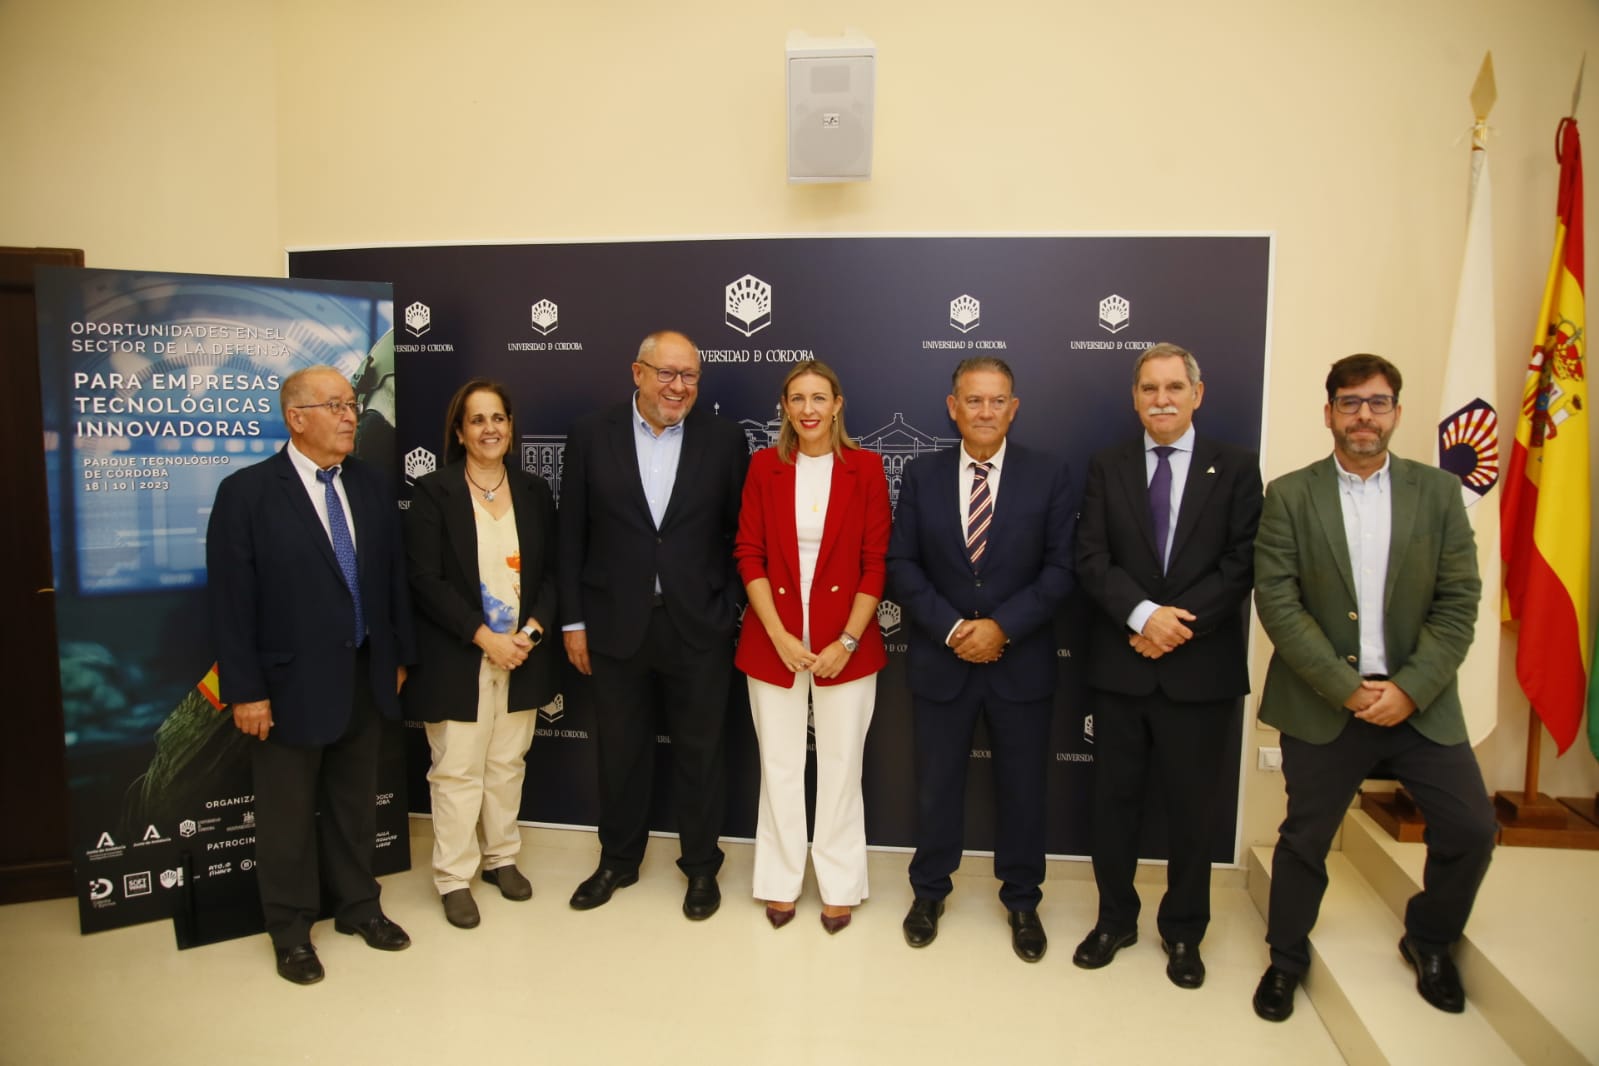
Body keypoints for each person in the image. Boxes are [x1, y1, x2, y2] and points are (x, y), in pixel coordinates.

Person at [1251, 354, 1496, 1022]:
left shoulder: (1437, 493)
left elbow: (1458, 601)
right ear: (1328, 411)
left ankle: (1429, 940)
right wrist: (1346, 688)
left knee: (1472, 828)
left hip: (1419, 701)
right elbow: (1277, 601)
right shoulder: (1289, 494)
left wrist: (1410, 689)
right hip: (1323, 701)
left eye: (1377, 402)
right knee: (1304, 838)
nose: (1363, 415)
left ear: (1395, 411)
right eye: (1350, 402)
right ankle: (1286, 958)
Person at [207, 364, 416, 985]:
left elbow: (391, 582)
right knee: (287, 814)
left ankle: (358, 907)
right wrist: (245, 690)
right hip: (285, 684)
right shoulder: (246, 493)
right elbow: (230, 603)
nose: (352, 415)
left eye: (351, 404)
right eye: (335, 406)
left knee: (355, 806)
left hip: (364, 673)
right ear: (296, 418)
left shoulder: (373, 486)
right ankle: (292, 930)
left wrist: (398, 656)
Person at [1072, 342, 1262, 988]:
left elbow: (1241, 563)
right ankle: (1114, 920)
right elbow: (1091, 557)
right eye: (1149, 388)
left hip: (1197, 670)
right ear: (1134, 398)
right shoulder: (1107, 465)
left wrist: (1172, 624)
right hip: (1122, 665)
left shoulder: (1234, 467)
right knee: (1113, 805)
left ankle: (1183, 932)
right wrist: (1141, 617)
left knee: (1192, 812)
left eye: (1173, 387)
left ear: (1196, 395)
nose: (1161, 399)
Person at [886, 356, 1075, 962]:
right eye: (974, 400)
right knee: (936, 785)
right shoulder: (922, 474)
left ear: (1013, 408)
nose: (985, 411)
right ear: (953, 407)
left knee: (1023, 788)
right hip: (943, 660)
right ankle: (929, 891)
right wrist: (951, 628)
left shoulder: (1050, 475)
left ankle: (1022, 901)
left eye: (997, 401)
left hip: (1020, 663)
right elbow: (902, 566)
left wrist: (1002, 627)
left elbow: (1061, 569)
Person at [558, 330, 750, 920]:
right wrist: (573, 621)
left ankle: (700, 868)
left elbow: (743, 536)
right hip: (616, 625)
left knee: (702, 754)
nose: (678, 387)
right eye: (667, 373)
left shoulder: (724, 439)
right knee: (620, 752)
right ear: (637, 372)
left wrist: (732, 608)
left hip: (698, 626)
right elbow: (572, 536)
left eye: (689, 376)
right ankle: (617, 860)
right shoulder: (592, 434)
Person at [734, 360, 891, 934]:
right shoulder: (763, 468)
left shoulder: (867, 469)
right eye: (796, 398)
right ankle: (778, 881)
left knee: (842, 766)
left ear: (838, 404)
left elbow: (876, 564)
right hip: (771, 638)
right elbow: (748, 552)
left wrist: (847, 639)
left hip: (845, 643)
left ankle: (840, 884)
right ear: (785, 406)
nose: (807, 409)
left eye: (818, 398)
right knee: (778, 764)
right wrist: (778, 634)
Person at [402, 379, 559, 929]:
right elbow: (424, 579)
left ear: (511, 427)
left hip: (522, 654)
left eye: (499, 418)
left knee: (506, 763)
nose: (489, 428)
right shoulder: (433, 492)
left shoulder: (536, 491)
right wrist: (483, 636)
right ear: (459, 431)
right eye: (477, 419)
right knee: (458, 769)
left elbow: (554, 572)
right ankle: (453, 876)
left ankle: (501, 858)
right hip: (458, 655)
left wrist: (532, 632)